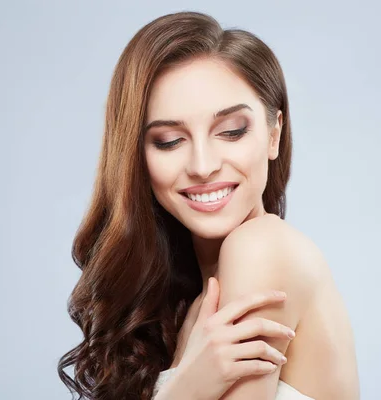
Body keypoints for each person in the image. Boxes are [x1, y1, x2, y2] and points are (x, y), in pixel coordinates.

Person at [58, 10, 359, 400]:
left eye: (231, 131)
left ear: (274, 134)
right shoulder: (190, 299)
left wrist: (186, 389)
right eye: (169, 140)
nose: (203, 166)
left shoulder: (260, 248)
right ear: (137, 158)